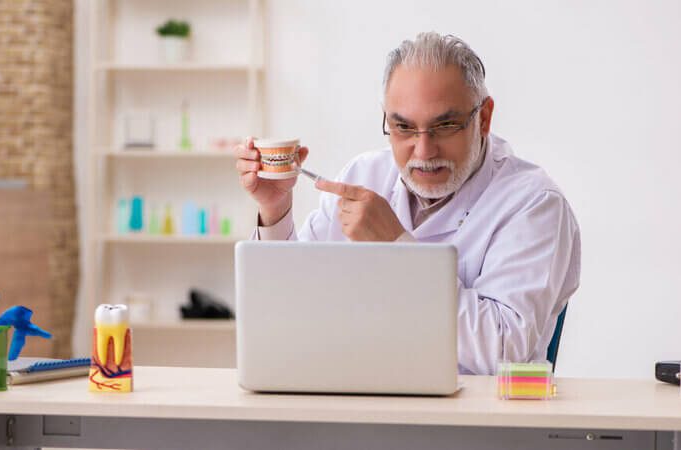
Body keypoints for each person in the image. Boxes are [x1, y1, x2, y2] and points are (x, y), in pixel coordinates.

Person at [234, 32, 581, 375]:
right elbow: (288, 309)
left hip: (471, 409)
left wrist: (397, 248)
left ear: (484, 119)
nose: (424, 151)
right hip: (353, 393)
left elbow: (504, 351)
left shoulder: (533, 204)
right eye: (403, 127)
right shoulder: (364, 175)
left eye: (445, 126)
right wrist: (275, 211)